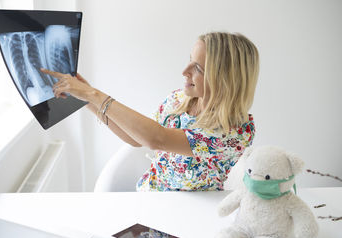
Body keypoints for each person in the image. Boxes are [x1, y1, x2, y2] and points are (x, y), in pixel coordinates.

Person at [41, 31, 259, 192]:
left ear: (225, 80)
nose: (184, 71)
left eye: (198, 68)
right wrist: (86, 100)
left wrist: (93, 94)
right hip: (151, 198)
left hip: (190, 214)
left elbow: (157, 138)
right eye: (189, 60)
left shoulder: (234, 133)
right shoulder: (179, 101)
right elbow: (137, 139)